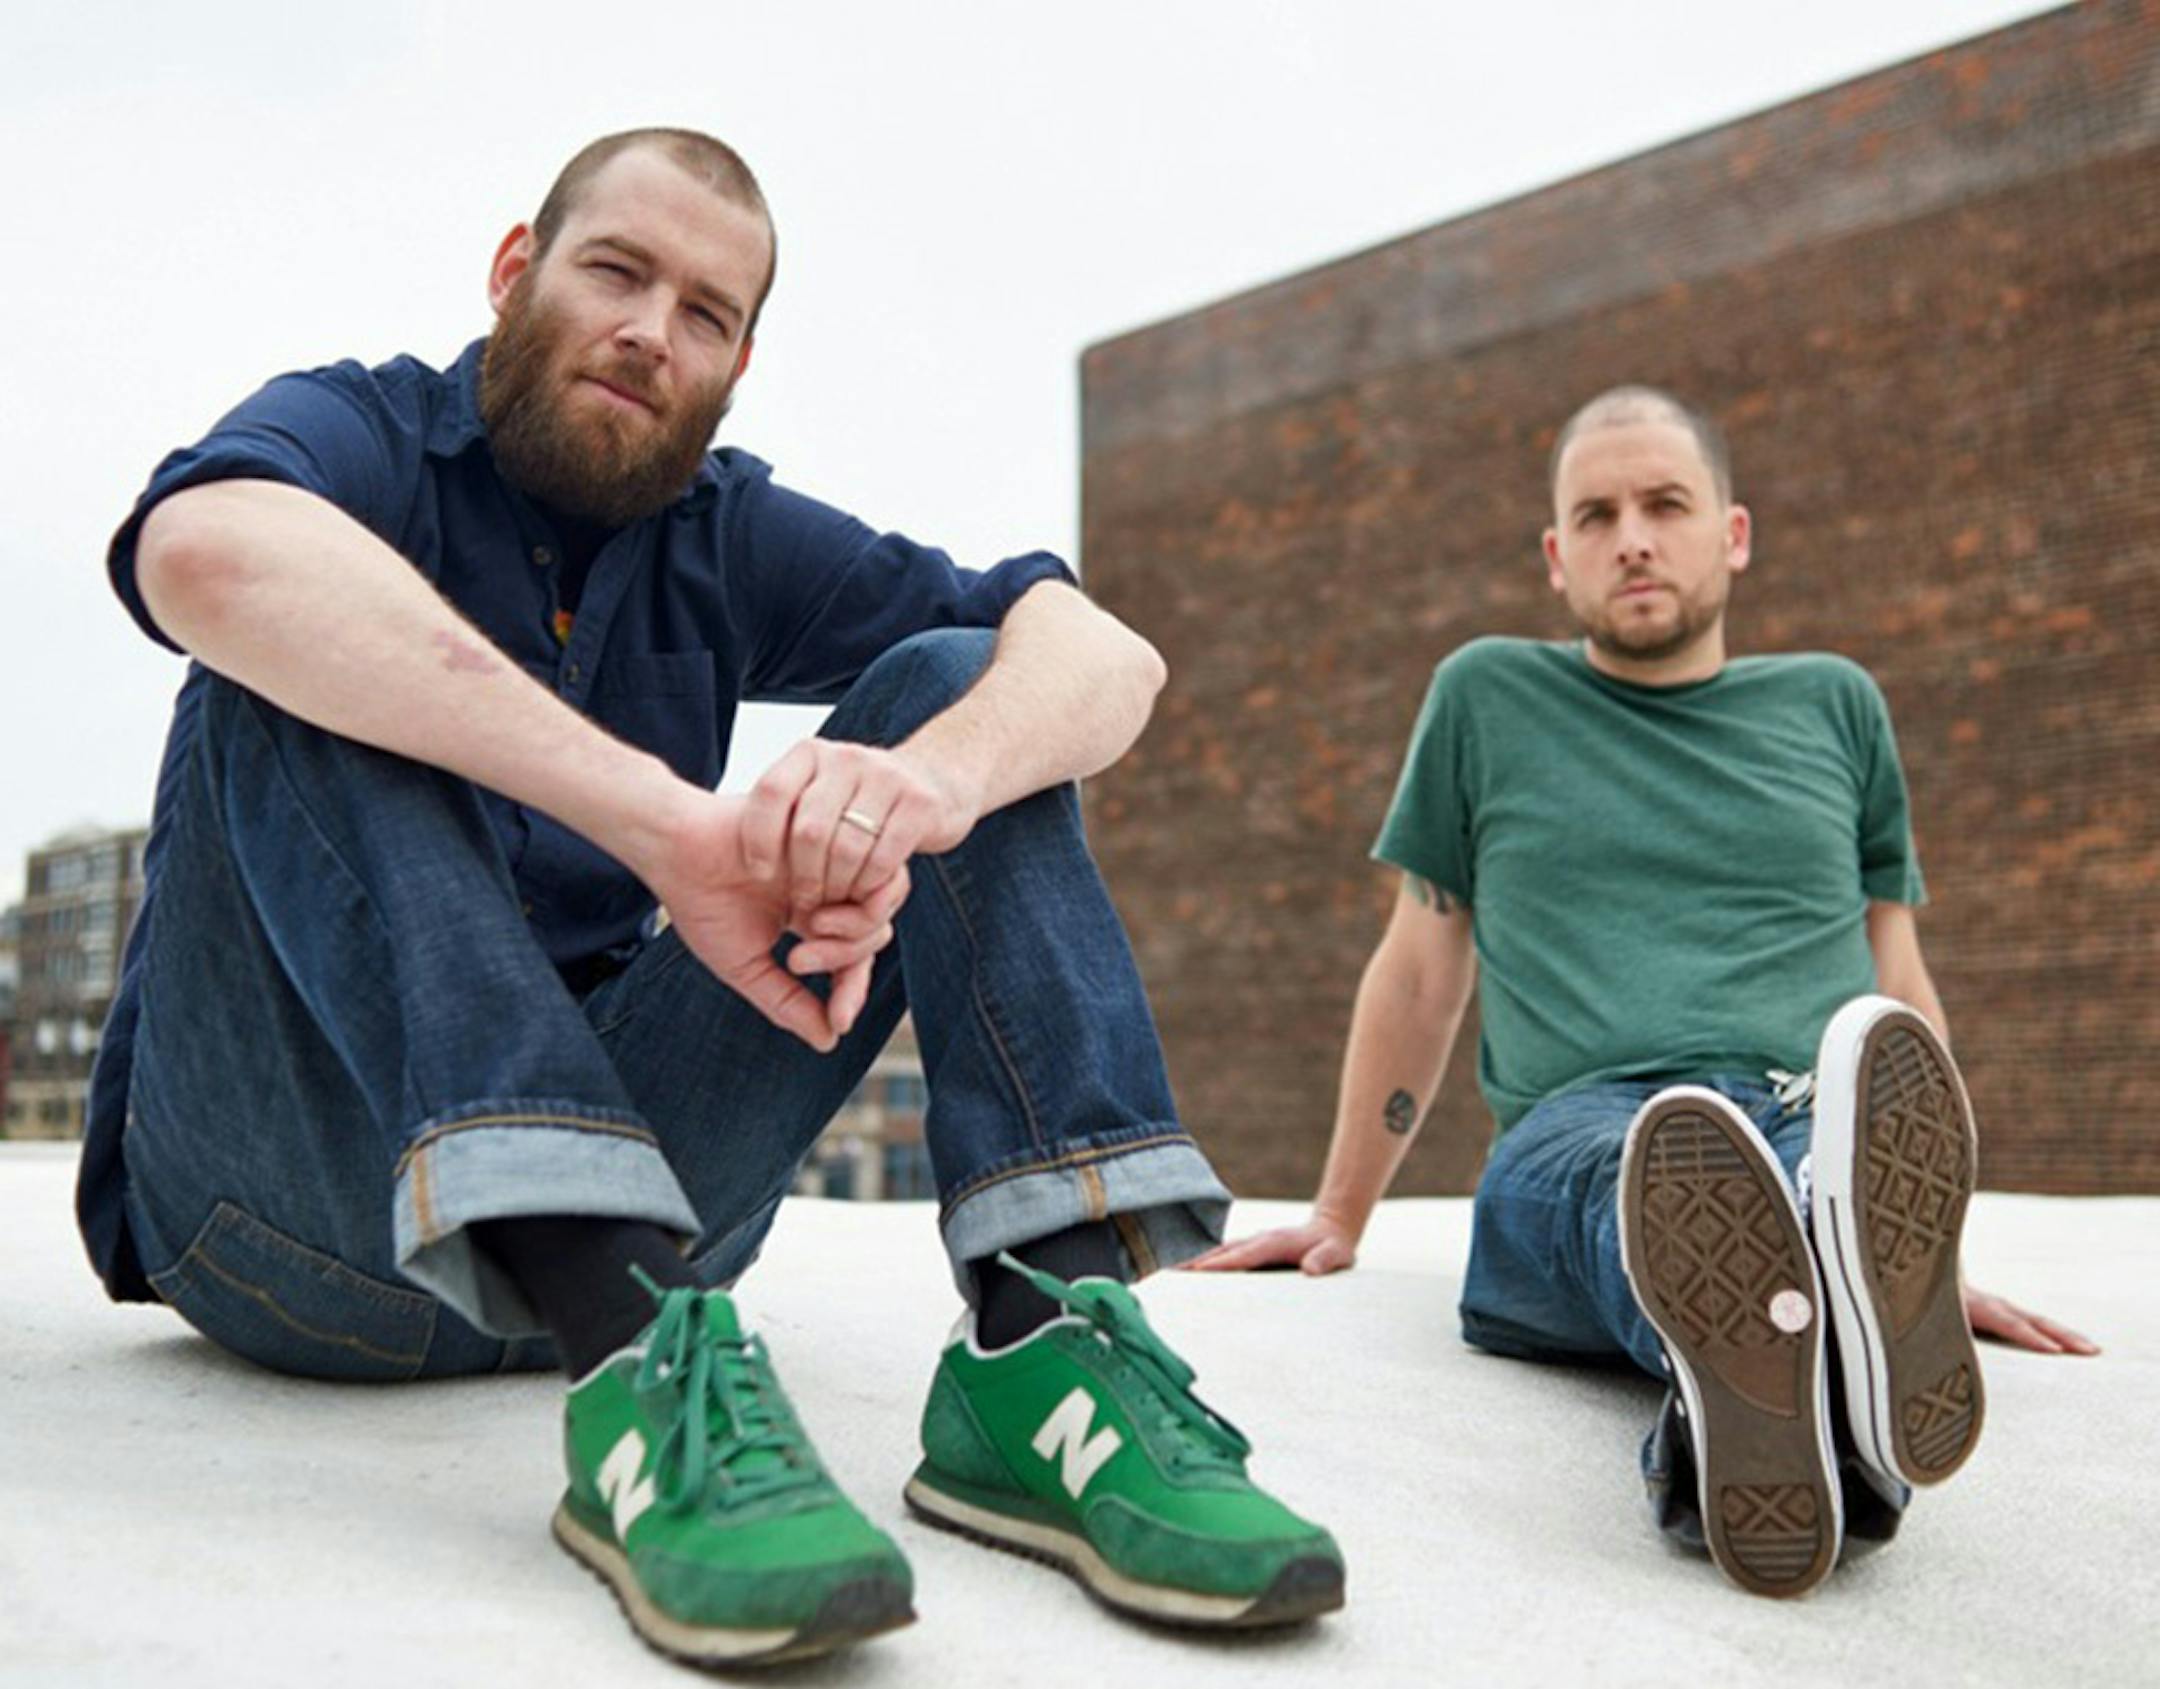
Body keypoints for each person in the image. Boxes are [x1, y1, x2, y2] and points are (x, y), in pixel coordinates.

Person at [80, 127, 1342, 1665]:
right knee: (305, 639)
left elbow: (1104, 654)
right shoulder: (365, 432)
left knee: (971, 683)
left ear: (739, 362)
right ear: (515, 270)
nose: (649, 332)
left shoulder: (724, 529)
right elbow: (204, 553)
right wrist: (669, 827)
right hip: (283, 1224)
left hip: (668, 1224)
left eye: (704, 313)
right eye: (615, 272)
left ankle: (1047, 1348)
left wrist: (926, 787)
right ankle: (635, 1377)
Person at [1190, 385, 2096, 1597]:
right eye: (1598, 515)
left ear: (1733, 533)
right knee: (1637, 1187)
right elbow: (1419, 966)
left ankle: (1812, 1329)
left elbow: (1897, 984)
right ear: (1556, 557)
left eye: (1666, 505)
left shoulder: (1836, 705)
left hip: (1804, 1106)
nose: (1632, 538)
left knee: (1806, 1181)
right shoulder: (1485, 696)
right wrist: (1339, 1211)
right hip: (1582, 1123)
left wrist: (1935, 1260)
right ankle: (1827, 1328)